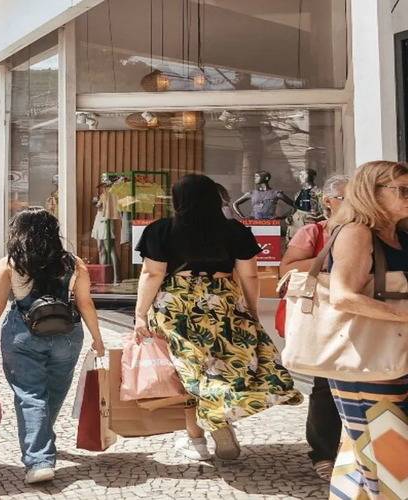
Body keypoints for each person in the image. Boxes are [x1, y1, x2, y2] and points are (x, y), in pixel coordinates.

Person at [134, 174, 302, 461]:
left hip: (177, 304)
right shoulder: (235, 230)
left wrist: (139, 314)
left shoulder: (161, 229)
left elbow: (152, 274)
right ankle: (219, 417)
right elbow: (249, 274)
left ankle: (197, 439)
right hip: (222, 300)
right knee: (225, 366)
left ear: (178, 200)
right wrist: (250, 309)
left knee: (189, 371)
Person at [0, 208, 105, 484]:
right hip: (67, 335)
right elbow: (85, 303)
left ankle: (39, 460)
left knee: (30, 395)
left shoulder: (11, 263)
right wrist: (97, 337)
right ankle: (42, 443)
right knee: (55, 391)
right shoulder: (73, 263)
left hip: (24, 334)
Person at [323, 161, 408, 498]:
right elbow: (343, 297)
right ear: (371, 193)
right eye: (401, 190)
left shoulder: (399, 234)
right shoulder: (357, 232)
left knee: (369, 455)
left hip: (394, 357)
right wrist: (402, 316)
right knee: (386, 457)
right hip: (368, 362)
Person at [280, 175, 349, 480]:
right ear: (328, 202)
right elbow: (288, 268)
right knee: (325, 386)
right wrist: (331, 265)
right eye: (346, 198)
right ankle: (323, 452)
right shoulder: (313, 232)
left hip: (357, 317)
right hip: (323, 316)